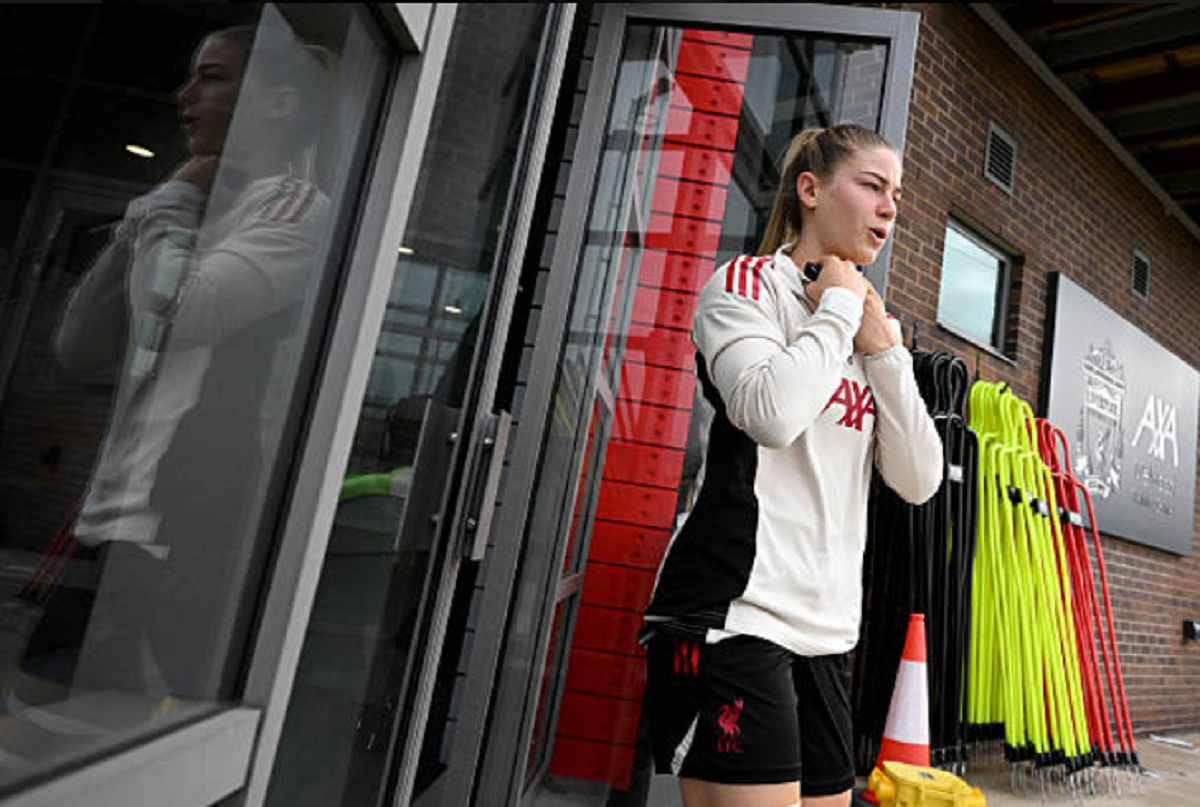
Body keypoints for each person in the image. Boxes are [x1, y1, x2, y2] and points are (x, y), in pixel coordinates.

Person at [20, 21, 334, 700]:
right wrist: (156, 214)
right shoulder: (189, 205)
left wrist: (176, 197)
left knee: (146, 738)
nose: (183, 92)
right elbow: (79, 344)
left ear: (276, 104)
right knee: (53, 727)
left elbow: (176, 318)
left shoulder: (293, 205)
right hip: (111, 519)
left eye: (211, 76)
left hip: (178, 535)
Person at [640, 124, 943, 807]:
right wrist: (836, 306)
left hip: (826, 631)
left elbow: (920, 478)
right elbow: (771, 414)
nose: (890, 208)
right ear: (810, 190)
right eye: (871, 186)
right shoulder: (748, 286)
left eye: (896, 193)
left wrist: (886, 354)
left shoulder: (868, 332)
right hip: (735, 613)